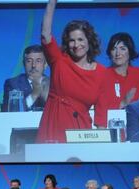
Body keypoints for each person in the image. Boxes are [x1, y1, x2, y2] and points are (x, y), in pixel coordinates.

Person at [36, 0, 107, 143]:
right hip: (52, 130)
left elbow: (101, 114)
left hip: (81, 134)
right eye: (71, 40)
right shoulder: (59, 61)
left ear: (89, 41)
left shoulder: (102, 72)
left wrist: (101, 147)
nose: (76, 45)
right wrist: (52, 2)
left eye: (80, 39)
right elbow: (45, 34)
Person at [94, 32, 139, 128]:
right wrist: (123, 104)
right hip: (111, 131)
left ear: (130, 52)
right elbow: (101, 116)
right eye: (114, 49)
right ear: (110, 52)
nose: (118, 53)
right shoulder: (102, 76)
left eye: (122, 49)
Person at [2, 44, 49, 112]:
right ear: (24, 64)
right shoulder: (13, 84)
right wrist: (34, 94)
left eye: (38, 61)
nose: (33, 65)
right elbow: (9, 112)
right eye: (29, 61)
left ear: (45, 64)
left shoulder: (53, 84)